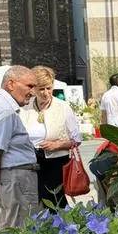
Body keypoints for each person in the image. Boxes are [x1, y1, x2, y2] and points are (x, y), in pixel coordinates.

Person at [0, 66, 39, 229]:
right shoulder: (3, 110)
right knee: (18, 231)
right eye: (29, 86)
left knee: (16, 228)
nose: (33, 92)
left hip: (14, 177)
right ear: (11, 84)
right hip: (17, 177)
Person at [20, 66, 82, 208]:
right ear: (33, 89)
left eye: (49, 88)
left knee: (55, 201)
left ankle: (63, 227)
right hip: (30, 161)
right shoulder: (24, 107)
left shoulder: (63, 107)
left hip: (56, 161)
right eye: (41, 89)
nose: (46, 93)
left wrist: (57, 145)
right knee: (33, 202)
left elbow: (77, 139)